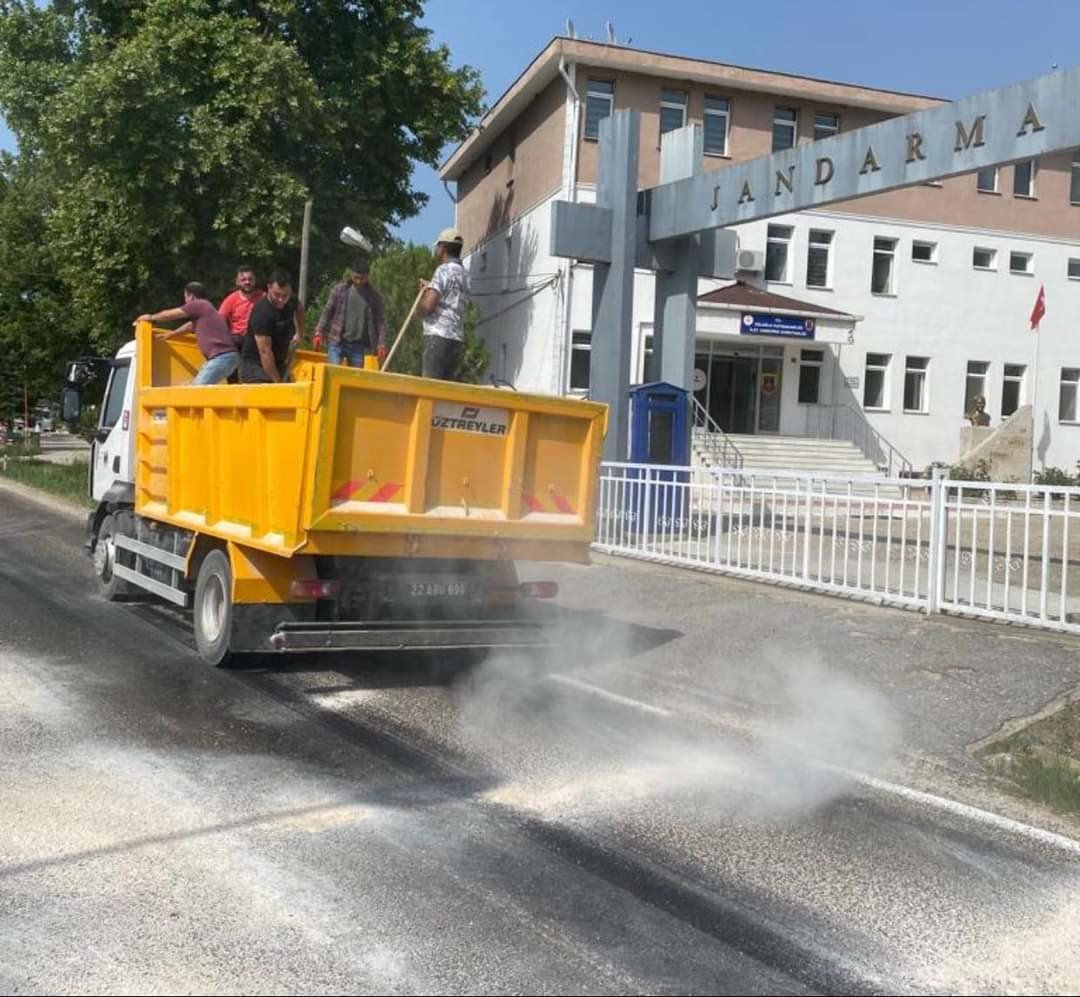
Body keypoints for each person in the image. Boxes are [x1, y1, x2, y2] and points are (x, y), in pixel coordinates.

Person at [136, 282, 238, 385]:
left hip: (221, 358)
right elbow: (189, 326)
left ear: (191, 296)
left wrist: (150, 317)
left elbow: (171, 314)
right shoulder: (205, 310)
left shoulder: (199, 304)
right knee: (191, 386)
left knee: (194, 391)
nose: (185, 301)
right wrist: (170, 335)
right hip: (225, 359)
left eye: (185, 297)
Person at [418, 227, 471, 380]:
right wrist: (430, 289)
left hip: (438, 336)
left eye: (438, 246)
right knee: (445, 392)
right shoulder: (465, 275)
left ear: (443, 248)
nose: (436, 249)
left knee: (430, 389)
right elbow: (450, 297)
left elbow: (428, 306)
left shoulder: (443, 271)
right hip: (456, 339)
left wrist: (421, 301)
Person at [314, 258, 387, 367]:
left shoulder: (373, 296)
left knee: (355, 378)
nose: (358, 281)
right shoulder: (340, 290)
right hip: (337, 341)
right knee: (334, 373)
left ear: (367, 276)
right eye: (356, 277)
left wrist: (381, 343)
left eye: (362, 278)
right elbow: (327, 312)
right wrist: (319, 332)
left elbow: (380, 321)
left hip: (357, 345)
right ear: (351, 274)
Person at [240, 269, 303, 384]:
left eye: (285, 295)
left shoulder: (291, 300)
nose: (281, 299)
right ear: (268, 287)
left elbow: (299, 308)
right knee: (269, 393)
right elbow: (265, 351)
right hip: (255, 365)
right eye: (277, 294)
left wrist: (299, 332)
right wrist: (277, 384)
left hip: (279, 361)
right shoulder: (262, 313)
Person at [218, 263, 265, 352]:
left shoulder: (263, 297)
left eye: (250, 279)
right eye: (243, 280)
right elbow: (220, 318)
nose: (247, 282)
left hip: (257, 338)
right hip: (237, 339)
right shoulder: (231, 299)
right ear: (237, 282)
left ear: (255, 280)